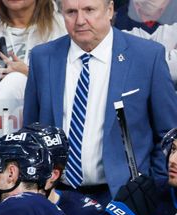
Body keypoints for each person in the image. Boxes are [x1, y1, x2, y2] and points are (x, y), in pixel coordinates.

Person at [23, 0, 177, 201]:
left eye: (89, 10)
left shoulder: (147, 56)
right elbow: (30, 132)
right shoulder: (42, 58)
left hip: (124, 198)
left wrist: (149, 189)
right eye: (71, 12)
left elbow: (168, 135)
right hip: (57, 195)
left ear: (110, 10)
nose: (80, 21)